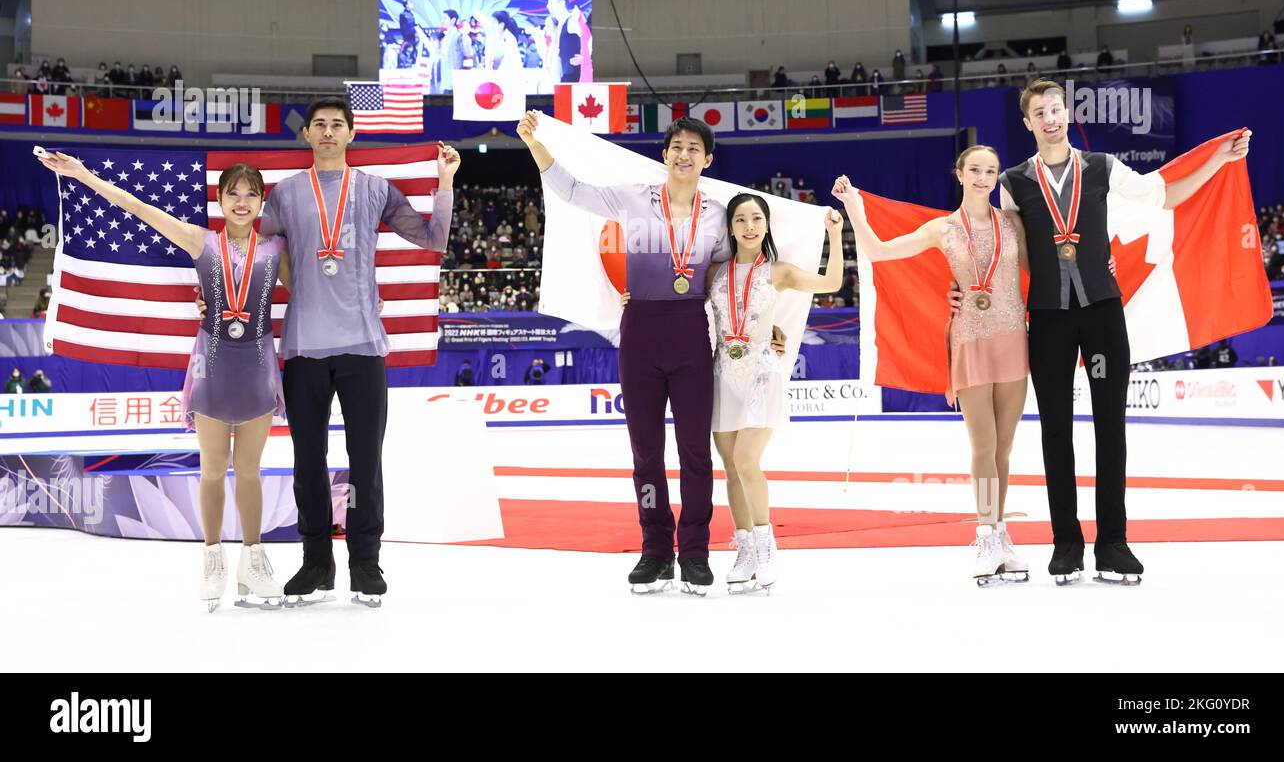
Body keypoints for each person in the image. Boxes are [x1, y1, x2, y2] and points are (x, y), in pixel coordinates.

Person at [200, 97, 459, 607]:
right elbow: (251, 253)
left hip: (363, 345)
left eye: (336, 124)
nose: (327, 131)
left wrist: (445, 182)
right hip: (303, 349)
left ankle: (366, 563)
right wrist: (210, 289)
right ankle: (316, 562)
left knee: (366, 460)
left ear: (351, 134)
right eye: (318, 124)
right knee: (308, 463)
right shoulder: (284, 195)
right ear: (307, 135)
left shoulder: (376, 189)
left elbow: (433, 240)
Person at [517, 110, 785, 595]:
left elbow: (735, 278)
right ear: (664, 156)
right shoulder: (634, 199)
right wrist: (537, 145)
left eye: (694, 148)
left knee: (695, 452)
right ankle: (655, 550)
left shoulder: (717, 217)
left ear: (708, 159)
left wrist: (771, 323)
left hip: (688, 332)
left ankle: (696, 552)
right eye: (676, 147)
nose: (684, 155)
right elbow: (574, 191)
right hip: (639, 327)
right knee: (645, 451)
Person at [997, 79, 1250, 585]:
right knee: (1055, 433)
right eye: (1039, 113)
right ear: (1027, 123)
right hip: (1047, 317)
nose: (1050, 118)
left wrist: (1218, 162)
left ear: (1067, 113)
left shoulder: (1101, 167)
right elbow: (1006, 253)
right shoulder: (1012, 182)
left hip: (1101, 315)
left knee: (1110, 427)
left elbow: (1165, 195)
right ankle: (1066, 543)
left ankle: (1113, 543)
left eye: (1056, 109)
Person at [40, 151, 291, 611]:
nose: (241, 201)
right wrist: (82, 175)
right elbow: (140, 208)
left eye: (250, 194)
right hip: (212, 366)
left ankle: (253, 561)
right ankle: (212, 559)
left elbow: (313, 287)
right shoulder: (200, 241)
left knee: (251, 470)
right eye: (232, 193)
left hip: (257, 365)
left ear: (261, 202)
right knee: (213, 469)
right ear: (219, 200)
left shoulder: (276, 249)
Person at [834, 147, 1034, 585]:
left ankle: (1002, 534)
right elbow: (879, 251)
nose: (983, 178)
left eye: (990, 171)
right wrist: (854, 207)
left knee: (1004, 448)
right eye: (975, 170)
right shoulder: (942, 229)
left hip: (1014, 341)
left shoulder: (1013, 224)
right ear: (959, 174)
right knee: (983, 446)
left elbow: (1049, 270)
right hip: (970, 341)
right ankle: (984, 533)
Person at [708, 194, 843, 593]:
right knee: (731, 466)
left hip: (762, 374)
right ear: (730, 228)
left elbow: (832, 282)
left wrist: (835, 237)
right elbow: (676, 302)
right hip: (722, 374)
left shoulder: (778, 271)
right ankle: (745, 549)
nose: (749, 226)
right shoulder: (713, 272)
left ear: (766, 226)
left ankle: (766, 546)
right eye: (740, 219)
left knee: (747, 460)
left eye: (756, 219)